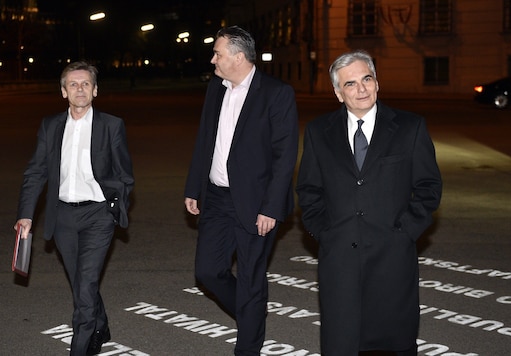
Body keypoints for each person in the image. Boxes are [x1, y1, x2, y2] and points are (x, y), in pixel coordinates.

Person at [296, 50, 442, 355]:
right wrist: (326, 233)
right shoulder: (318, 132)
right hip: (339, 259)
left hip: (392, 257)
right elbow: (309, 190)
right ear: (338, 93)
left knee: (394, 341)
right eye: (350, 84)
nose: (361, 89)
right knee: (341, 342)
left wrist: (404, 233)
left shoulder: (409, 127)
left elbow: (428, 187)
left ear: (377, 82)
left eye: (367, 79)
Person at [184, 25, 299, 355]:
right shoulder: (216, 89)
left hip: (256, 203)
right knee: (207, 270)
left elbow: (284, 155)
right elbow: (205, 140)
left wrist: (272, 207)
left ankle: (247, 346)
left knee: (251, 278)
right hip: (217, 197)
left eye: (218, 54)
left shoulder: (276, 93)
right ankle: (252, 315)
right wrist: (194, 187)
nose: (213, 60)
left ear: (238, 57)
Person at [14, 61, 134, 356]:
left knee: (84, 287)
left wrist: (114, 207)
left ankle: (80, 348)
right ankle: (100, 325)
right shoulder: (50, 126)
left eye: (85, 84)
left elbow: (124, 174)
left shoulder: (111, 125)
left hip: (97, 216)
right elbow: (36, 172)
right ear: (63, 91)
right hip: (63, 216)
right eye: (73, 84)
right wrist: (26, 215)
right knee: (82, 281)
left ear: (95, 89)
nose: (79, 89)